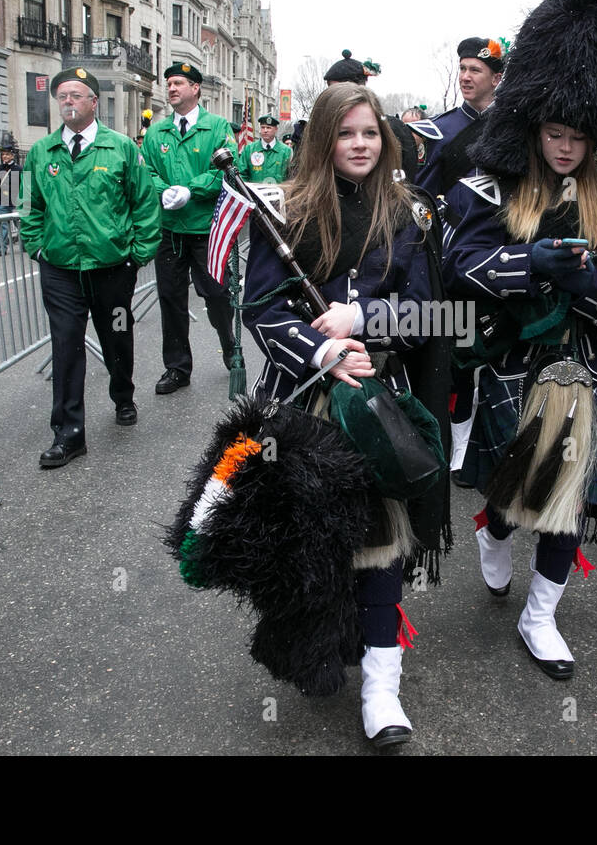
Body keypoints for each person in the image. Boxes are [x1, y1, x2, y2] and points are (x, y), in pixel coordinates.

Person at [444, 0, 597, 679]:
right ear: (534, 123)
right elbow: (457, 267)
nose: (566, 147)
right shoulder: (491, 187)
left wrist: (588, 284)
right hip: (516, 365)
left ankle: (540, 616)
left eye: (578, 136)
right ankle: (492, 529)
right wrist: (532, 263)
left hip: (589, 372)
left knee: (565, 505)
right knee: (512, 500)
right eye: (554, 133)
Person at [241, 82, 446, 746]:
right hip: (307, 405)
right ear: (325, 138)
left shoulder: (412, 213)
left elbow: (436, 315)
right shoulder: (283, 211)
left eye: (370, 133)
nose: (360, 144)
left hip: (379, 405)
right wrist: (323, 348)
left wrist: (369, 319)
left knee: (382, 546)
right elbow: (262, 310)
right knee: (316, 546)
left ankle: (382, 689)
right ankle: (315, 645)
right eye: (347, 133)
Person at [19, 66, 160, 468]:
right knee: (65, 346)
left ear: (93, 103)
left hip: (113, 268)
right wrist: (37, 247)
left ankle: (123, 395)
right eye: (62, 95)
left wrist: (137, 255)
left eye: (76, 95)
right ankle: (68, 433)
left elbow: (145, 204)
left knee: (117, 336)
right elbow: (27, 204)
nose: (67, 101)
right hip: (61, 270)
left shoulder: (121, 149)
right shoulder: (40, 152)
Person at [141, 62, 238, 397]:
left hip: (205, 230)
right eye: (169, 83)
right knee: (170, 298)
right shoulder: (156, 132)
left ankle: (230, 346)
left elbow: (227, 170)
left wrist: (190, 190)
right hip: (169, 231)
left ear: (196, 88)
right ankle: (177, 367)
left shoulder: (217, 127)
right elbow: (146, 171)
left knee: (217, 294)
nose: (171, 88)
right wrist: (162, 190)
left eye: (179, 83)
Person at [415, 37, 504, 198]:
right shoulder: (437, 130)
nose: (465, 77)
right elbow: (422, 198)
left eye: (474, 70)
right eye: (462, 69)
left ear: (496, 79)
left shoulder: (510, 127)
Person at [323, 50, 419, 182]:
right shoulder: (321, 126)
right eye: (344, 133)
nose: (359, 144)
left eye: (370, 133)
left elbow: (407, 178)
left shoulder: (395, 129)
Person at [238, 113, 291, 184]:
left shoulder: (286, 151)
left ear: (276, 129)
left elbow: (291, 176)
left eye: (269, 128)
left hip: (279, 193)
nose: (265, 130)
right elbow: (241, 174)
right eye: (263, 127)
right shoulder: (249, 149)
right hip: (254, 194)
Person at [0, 140, 21, 255]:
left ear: (12, 155)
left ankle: (25, 245)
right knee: (2, 227)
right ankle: (2, 249)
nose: (5, 156)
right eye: (3, 154)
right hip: (2, 202)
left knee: (21, 226)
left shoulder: (19, 169)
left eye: (7, 154)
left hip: (16, 202)